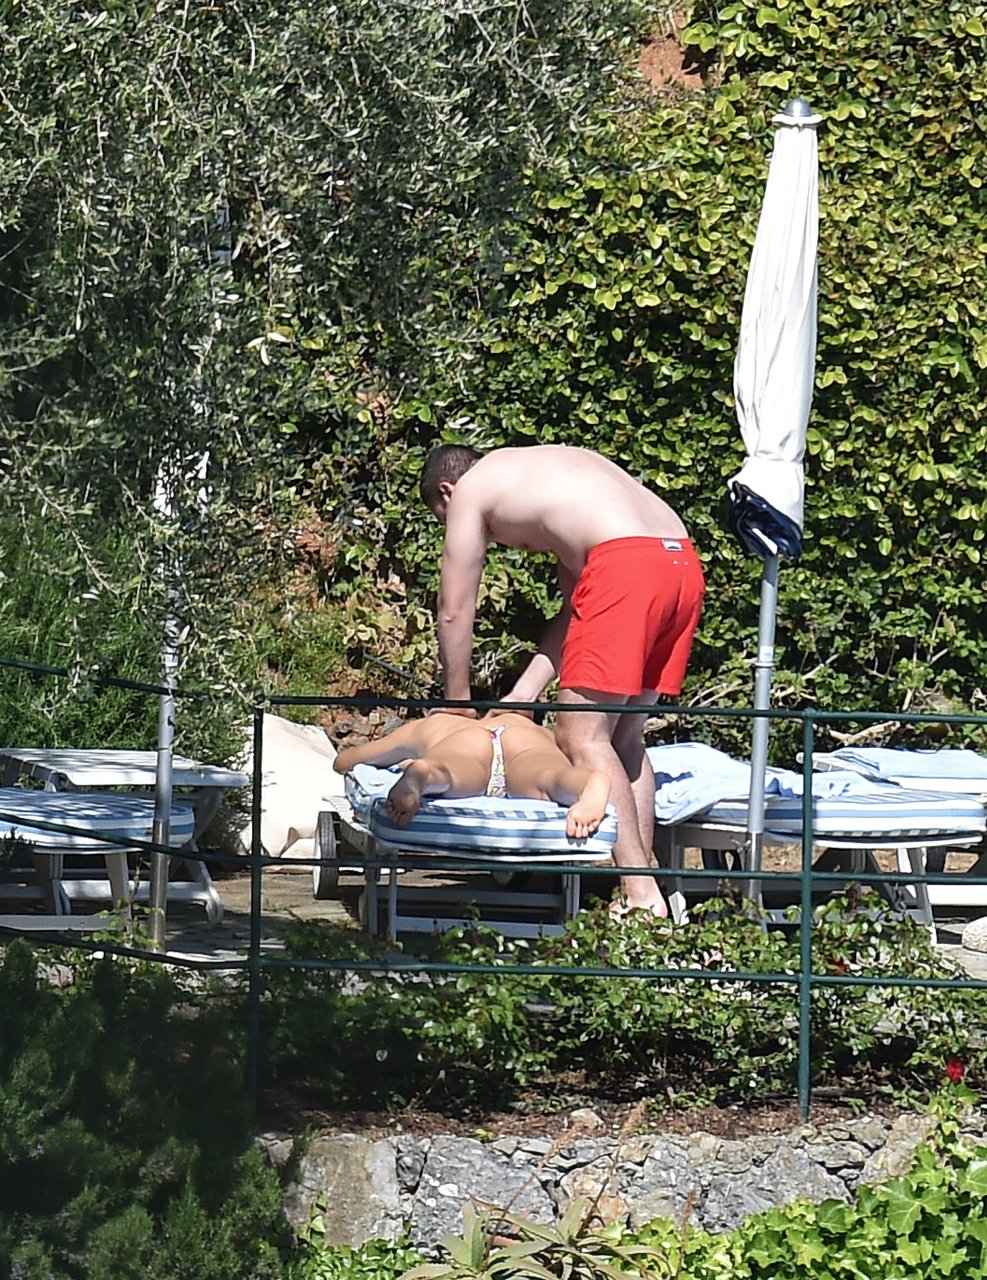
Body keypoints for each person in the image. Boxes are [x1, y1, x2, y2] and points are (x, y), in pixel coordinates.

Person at [419, 443, 705, 917]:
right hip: (679, 562)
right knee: (624, 738)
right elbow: (579, 612)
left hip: (626, 566)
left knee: (581, 737)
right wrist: (522, 695)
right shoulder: (551, 478)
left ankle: (641, 897)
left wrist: (457, 702)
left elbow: (454, 609)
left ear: (447, 491)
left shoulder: (470, 489)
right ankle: (641, 887)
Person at [333, 709, 611, 839]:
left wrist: (405, 760)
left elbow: (346, 761)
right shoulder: (532, 726)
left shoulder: (435, 724)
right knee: (550, 778)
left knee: (447, 771)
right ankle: (586, 783)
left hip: (465, 742)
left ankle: (425, 773)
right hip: (523, 740)